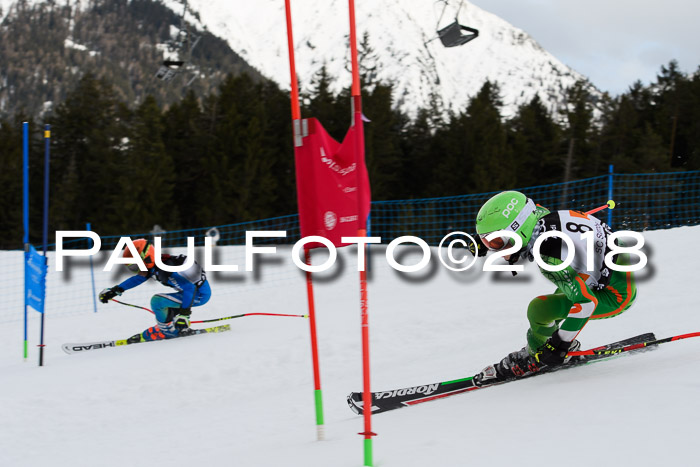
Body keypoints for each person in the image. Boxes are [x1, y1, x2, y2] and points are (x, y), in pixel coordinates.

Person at [470, 191, 637, 385]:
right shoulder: (537, 216)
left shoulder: (549, 259)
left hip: (614, 294)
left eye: (497, 243)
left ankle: (534, 357)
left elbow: (586, 303)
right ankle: (550, 346)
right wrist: (484, 241)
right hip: (610, 266)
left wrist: (559, 344)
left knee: (539, 310)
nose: (493, 250)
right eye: (488, 241)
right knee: (557, 301)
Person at [98, 238, 210, 341]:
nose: (137, 270)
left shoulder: (167, 268)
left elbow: (190, 288)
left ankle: (167, 332)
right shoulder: (154, 266)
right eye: (133, 268)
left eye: (136, 266)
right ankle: (169, 327)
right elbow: (137, 279)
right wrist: (114, 291)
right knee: (165, 307)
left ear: (147, 258)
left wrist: (185, 314)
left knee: (158, 301)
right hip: (189, 293)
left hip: (198, 295)